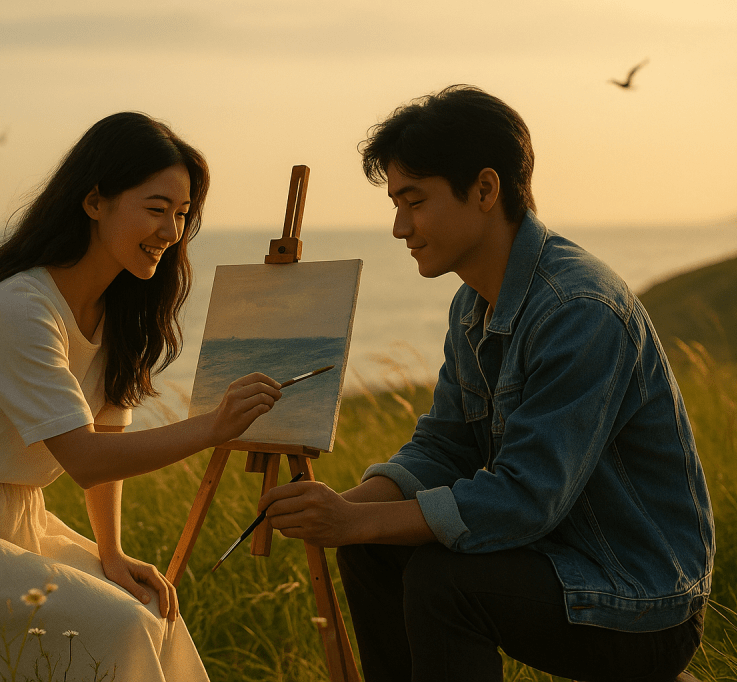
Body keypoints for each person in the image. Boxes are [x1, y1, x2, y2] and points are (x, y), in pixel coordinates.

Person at [259, 86, 714, 682]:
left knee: (441, 582)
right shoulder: (473, 304)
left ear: (485, 190)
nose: (399, 227)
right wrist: (343, 510)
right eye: (395, 204)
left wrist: (353, 520)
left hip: (638, 601)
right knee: (370, 549)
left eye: (414, 201)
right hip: (554, 561)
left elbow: (526, 497)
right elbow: (445, 447)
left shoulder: (578, 309)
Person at [0, 112, 283, 681]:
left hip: (21, 517)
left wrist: (111, 553)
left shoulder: (118, 311)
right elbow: (86, 459)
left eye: (183, 213)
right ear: (94, 202)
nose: (171, 231)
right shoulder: (22, 307)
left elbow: (108, 432)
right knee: (122, 626)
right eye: (156, 208)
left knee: (151, 609)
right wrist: (212, 426)